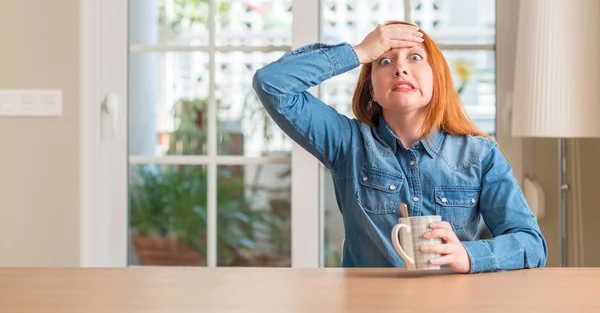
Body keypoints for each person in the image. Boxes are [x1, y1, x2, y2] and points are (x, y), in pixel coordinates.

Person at [252, 21, 547, 273]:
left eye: (415, 58)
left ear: (437, 79)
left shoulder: (480, 155)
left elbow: (531, 244)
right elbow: (272, 83)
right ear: (371, 89)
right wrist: (360, 52)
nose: (400, 69)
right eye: (384, 61)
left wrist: (468, 256)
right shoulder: (347, 142)